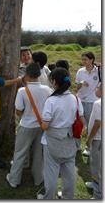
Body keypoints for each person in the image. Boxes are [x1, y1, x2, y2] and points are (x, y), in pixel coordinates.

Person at [37, 67, 84, 199]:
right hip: (69, 139)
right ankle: (68, 197)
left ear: (55, 82)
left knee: (51, 171)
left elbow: (45, 125)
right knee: (69, 169)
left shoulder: (51, 101)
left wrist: (40, 124)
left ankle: (49, 197)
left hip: (52, 140)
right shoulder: (75, 99)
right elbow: (82, 120)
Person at [6, 63, 51, 188]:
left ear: (26, 75)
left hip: (26, 126)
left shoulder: (22, 91)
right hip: (41, 126)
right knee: (38, 154)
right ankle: (38, 178)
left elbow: (18, 111)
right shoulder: (47, 90)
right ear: (39, 74)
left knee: (20, 153)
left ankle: (14, 179)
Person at [75, 51, 100, 156]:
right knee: (78, 123)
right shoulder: (80, 71)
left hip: (92, 101)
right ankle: (77, 146)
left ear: (92, 60)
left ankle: (88, 147)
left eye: (85, 59)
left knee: (90, 124)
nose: (83, 61)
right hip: (80, 100)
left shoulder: (98, 71)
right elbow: (76, 88)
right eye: (82, 59)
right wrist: (80, 84)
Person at [85, 82, 101, 199]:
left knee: (96, 167)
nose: (95, 89)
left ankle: (98, 194)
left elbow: (97, 122)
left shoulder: (98, 104)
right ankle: (95, 184)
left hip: (98, 139)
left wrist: (89, 139)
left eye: (97, 87)